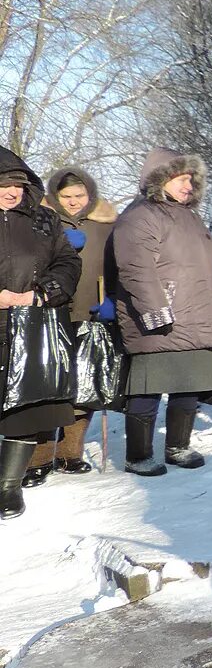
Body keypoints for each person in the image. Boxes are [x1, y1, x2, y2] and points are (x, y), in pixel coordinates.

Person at [110, 149, 212, 477]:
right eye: (181, 179)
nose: (188, 185)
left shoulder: (189, 217)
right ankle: (138, 455)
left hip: (195, 316)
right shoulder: (141, 215)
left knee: (188, 386)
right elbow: (136, 269)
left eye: (191, 179)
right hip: (162, 319)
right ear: (160, 179)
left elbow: (210, 270)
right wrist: (155, 311)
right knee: (148, 388)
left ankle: (178, 446)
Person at [0, 149, 80, 519]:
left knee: (27, 407)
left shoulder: (44, 219)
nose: (10, 192)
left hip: (31, 324)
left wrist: (42, 292)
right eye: (2, 184)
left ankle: (8, 486)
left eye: (16, 184)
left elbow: (68, 261)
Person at [41, 165, 118, 479]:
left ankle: (70, 453)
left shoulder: (107, 223)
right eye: (66, 196)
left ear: (91, 194)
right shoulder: (41, 219)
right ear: (55, 196)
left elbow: (119, 264)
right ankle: (40, 456)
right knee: (47, 386)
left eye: (79, 195)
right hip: (49, 312)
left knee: (83, 383)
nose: (73, 201)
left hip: (91, 311)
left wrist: (112, 299)